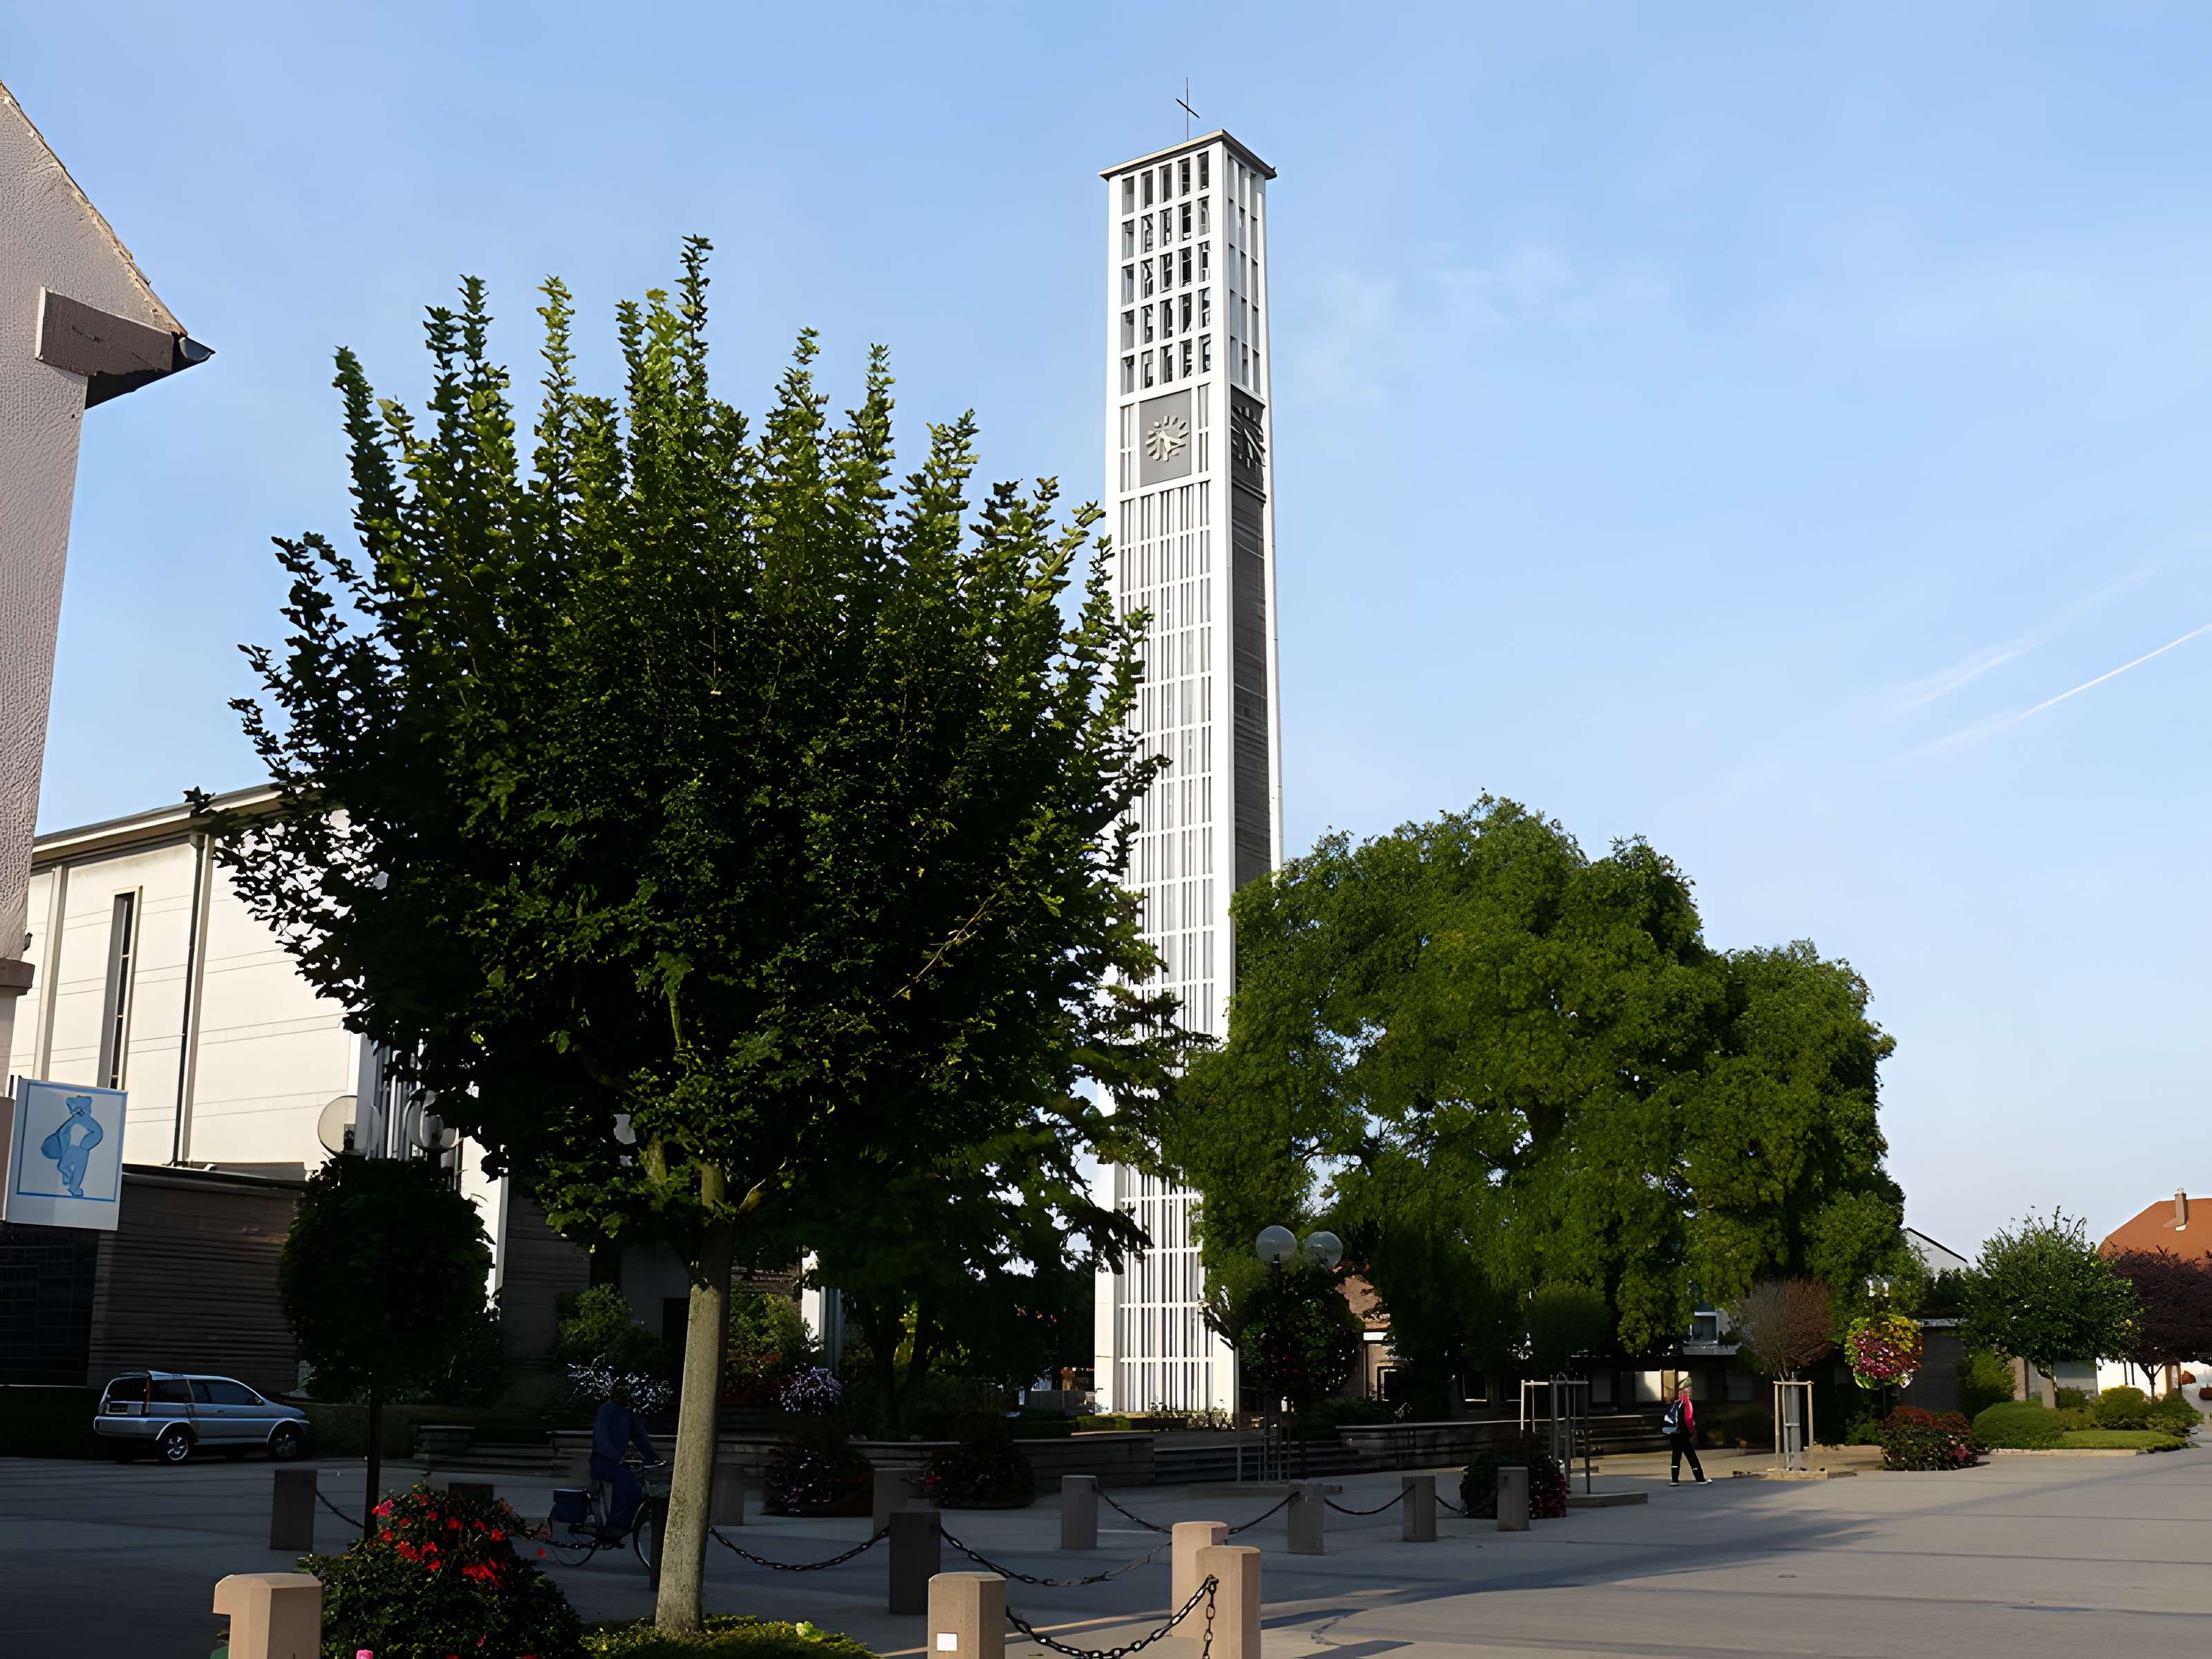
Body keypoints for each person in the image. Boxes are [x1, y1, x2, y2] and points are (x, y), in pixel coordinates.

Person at [590, 1387, 659, 1534]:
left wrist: (653, 1458)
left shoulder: (628, 1414)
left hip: (614, 1461)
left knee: (634, 1485)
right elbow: (601, 1437)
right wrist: (616, 1457)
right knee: (628, 1484)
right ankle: (614, 1525)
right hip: (602, 1461)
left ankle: (624, 1524)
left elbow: (640, 1438)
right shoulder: (606, 1410)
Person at [1664, 1381, 1706, 1485]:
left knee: (1676, 1457)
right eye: (1690, 1389)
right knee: (1692, 1457)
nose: (1691, 1391)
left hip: (1674, 1434)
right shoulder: (1687, 1403)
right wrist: (1692, 1431)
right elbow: (1688, 1419)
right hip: (1684, 1434)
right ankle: (1700, 1479)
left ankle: (1674, 1480)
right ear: (1685, 1390)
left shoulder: (1675, 1403)